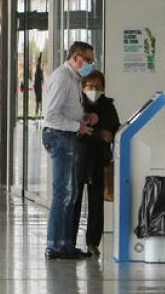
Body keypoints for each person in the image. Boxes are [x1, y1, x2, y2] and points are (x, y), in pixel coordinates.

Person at [42, 41, 97, 260]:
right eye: (88, 61)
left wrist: (83, 118)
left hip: (68, 135)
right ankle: (55, 244)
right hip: (60, 137)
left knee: (70, 192)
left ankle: (65, 243)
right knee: (63, 192)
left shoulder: (74, 80)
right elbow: (51, 115)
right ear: (75, 57)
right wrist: (78, 126)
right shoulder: (63, 78)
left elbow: (67, 111)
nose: (90, 66)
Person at [72, 70, 120, 257]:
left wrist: (95, 131)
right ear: (83, 87)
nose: (94, 90)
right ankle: (69, 240)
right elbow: (76, 130)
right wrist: (100, 132)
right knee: (74, 202)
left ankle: (93, 242)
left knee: (96, 204)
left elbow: (112, 131)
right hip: (78, 160)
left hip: (99, 160)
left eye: (98, 87)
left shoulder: (108, 106)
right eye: (90, 86)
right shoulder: (75, 104)